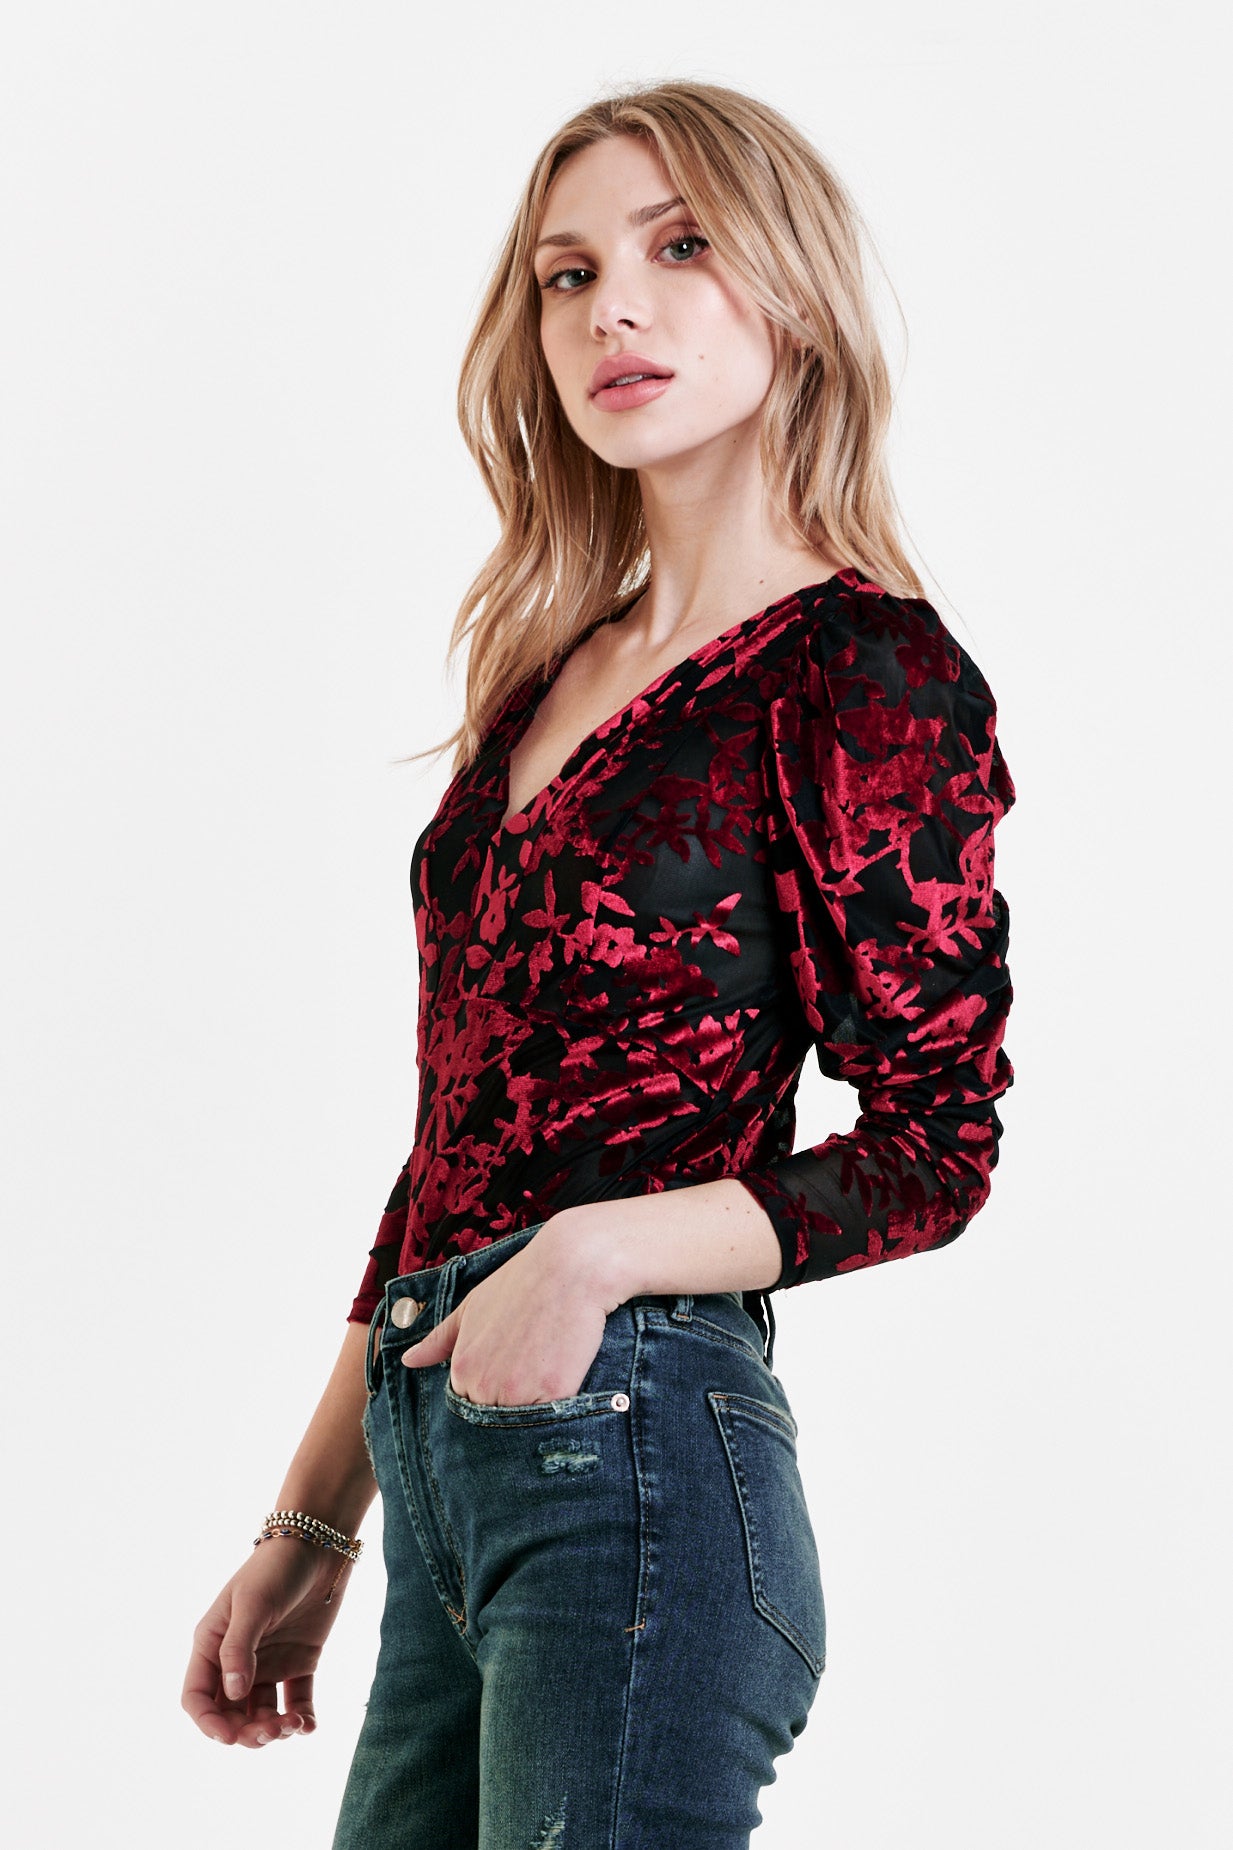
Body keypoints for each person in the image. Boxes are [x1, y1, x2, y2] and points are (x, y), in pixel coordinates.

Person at [182, 79, 1015, 1848]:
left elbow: (936, 1149)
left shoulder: (860, 671)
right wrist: (313, 1521)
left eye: (678, 247)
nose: (610, 309)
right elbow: (457, 1142)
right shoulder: (541, 678)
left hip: (634, 1452)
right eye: (566, 274)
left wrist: (596, 1249)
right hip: (448, 1462)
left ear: (793, 294)